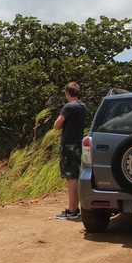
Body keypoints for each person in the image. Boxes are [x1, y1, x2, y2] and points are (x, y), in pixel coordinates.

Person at [53, 82, 87, 220]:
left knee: (70, 177)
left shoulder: (68, 107)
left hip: (68, 145)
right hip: (78, 144)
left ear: (68, 93)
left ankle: (72, 210)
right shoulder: (82, 107)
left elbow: (57, 125)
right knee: (76, 176)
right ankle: (76, 208)